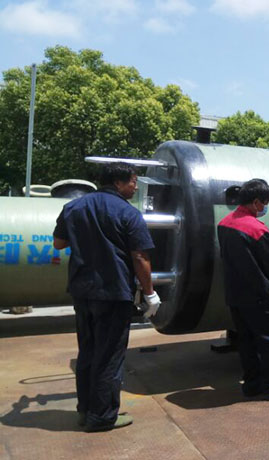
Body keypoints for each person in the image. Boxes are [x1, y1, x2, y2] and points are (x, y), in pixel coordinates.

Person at [53, 162, 159, 431]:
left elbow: (59, 243)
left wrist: (86, 239)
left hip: (82, 290)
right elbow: (140, 256)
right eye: (133, 182)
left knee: (88, 351)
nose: (135, 187)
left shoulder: (74, 207)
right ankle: (102, 417)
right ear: (118, 183)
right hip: (113, 292)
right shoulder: (128, 213)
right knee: (110, 356)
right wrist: (150, 293)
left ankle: (85, 410)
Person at [217, 179, 269, 399]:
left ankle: (252, 385)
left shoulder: (224, 223)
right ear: (255, 202)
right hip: (259, 295)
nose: (265, 207)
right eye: (264, 203)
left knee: (246, 341)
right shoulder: (257, 229)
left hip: (235, 293)